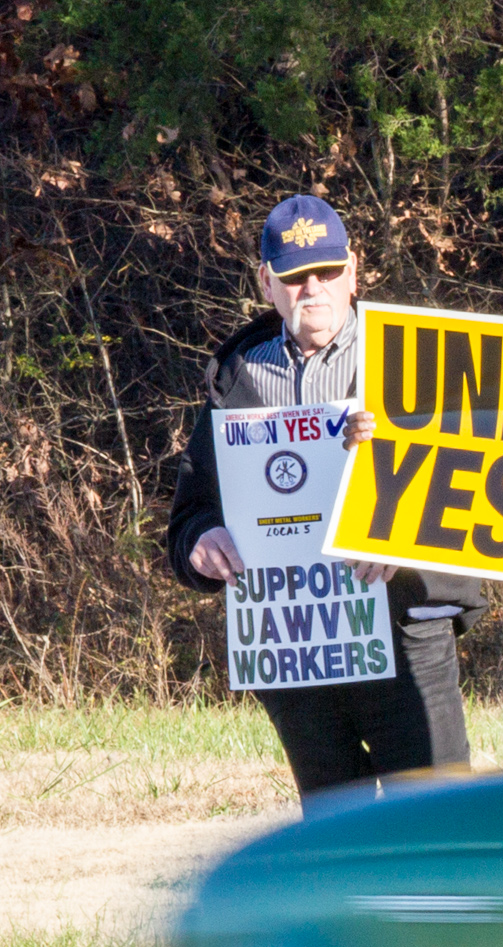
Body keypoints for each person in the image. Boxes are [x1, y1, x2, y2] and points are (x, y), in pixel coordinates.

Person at [165, 195, 485, 801]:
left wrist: (405, 532)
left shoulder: (416, 357)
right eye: (293, 275)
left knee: (442, 838)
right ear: (266, 282)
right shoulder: (236, 375)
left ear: (354, 269)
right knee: (337, 849)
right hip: (292, 647)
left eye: (328, 271)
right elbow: (190, 515)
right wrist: (202, 542)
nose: (313, 288)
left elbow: (478, 498)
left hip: (404, 636)